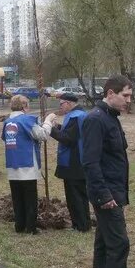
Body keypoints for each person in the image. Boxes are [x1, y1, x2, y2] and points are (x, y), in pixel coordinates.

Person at [81, 74, 133, 268]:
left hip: (115, 191)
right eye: (125, 95)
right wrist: (104, 195)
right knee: (119, 244)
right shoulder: (96, 119)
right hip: (106, 194)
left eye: (130, 96)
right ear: (111, 93)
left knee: (104, 244)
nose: (129, 100)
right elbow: (90, 162)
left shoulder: (110, 117)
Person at [1, 94, 51, 234]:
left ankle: (19, 225)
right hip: (27, 164)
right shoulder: (26, 120)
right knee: (30, 198)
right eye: (28, 104)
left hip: (12, 164)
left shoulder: (7, 122)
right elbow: (43, 135)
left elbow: (5, 139)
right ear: (23, 106)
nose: (29, 108)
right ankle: (31, 228)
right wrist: (48, 121)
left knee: (17, 197)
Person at [46, 93, 90, 232]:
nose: (60, 107)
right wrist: (57, 126)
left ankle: (80, 226)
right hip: (79, 161)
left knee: (74, 196)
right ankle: (83, 224)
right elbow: (71, 133)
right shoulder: (79, 115)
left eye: (61, 104)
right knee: (80, 195)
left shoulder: (76, 116)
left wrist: (50, 129)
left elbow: (68, 138)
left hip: (74, 162)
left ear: (69, 103)